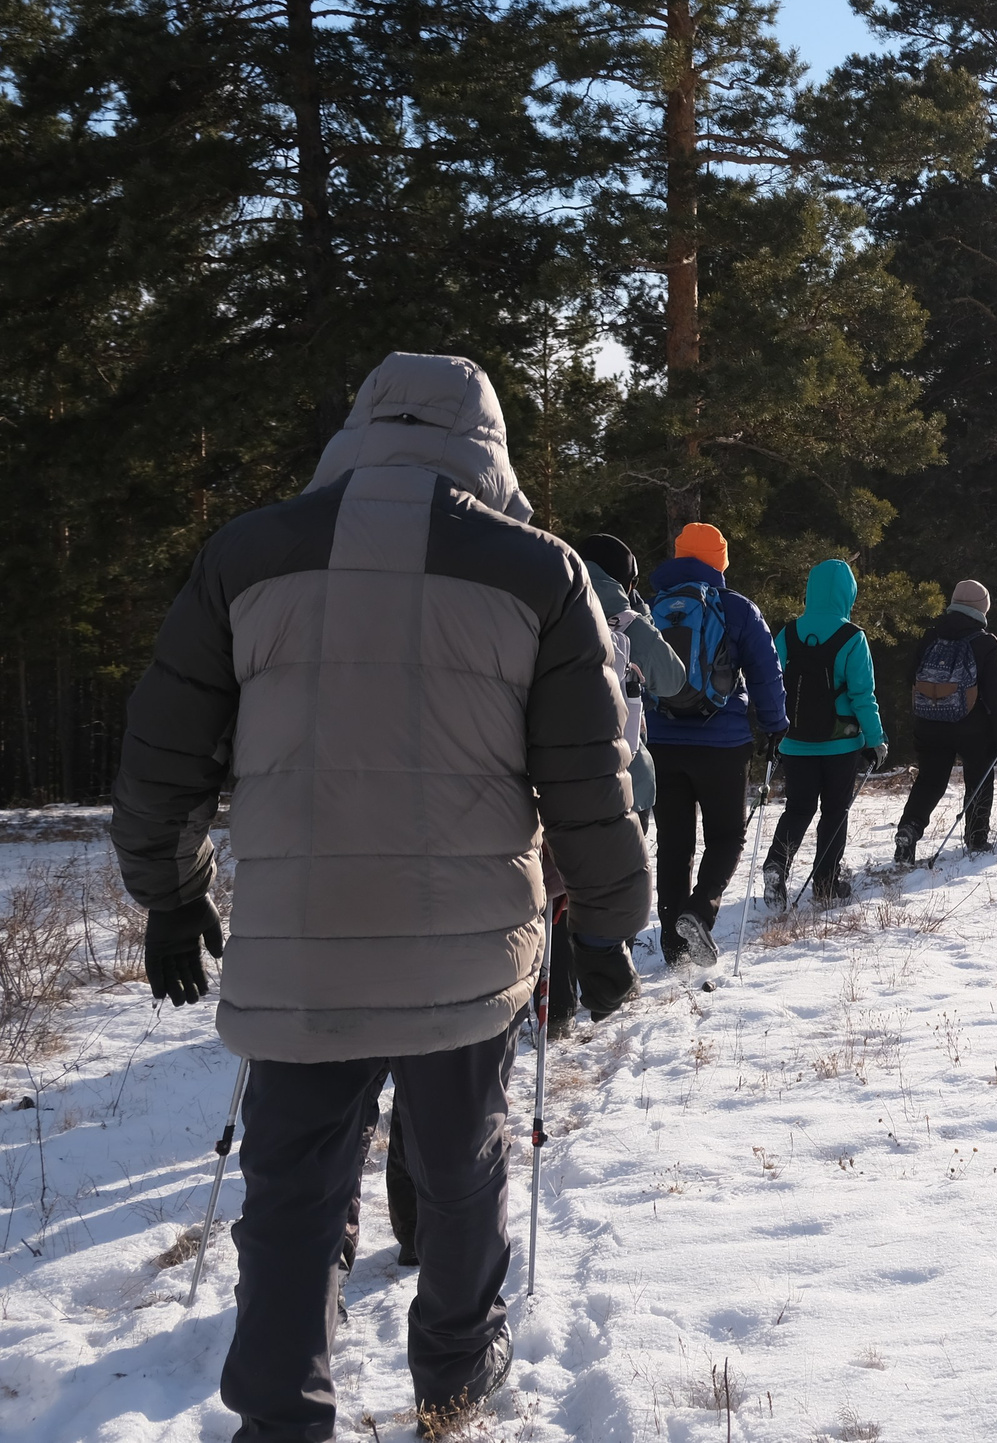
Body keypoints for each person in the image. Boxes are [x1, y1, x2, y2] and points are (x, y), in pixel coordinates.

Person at [108, 352, 646, 1440]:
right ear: (486, 444)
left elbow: (164, 752)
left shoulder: (246, 555)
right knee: (459, 1169)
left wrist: (169, 893)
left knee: (291, 1193)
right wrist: (607, 920)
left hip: (300, 949)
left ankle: (279, 1412)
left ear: (356, 426)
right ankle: (452, 1372)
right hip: (470, 951)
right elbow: (587, 776)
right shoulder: (540, 574)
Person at [644, 523, 787, 970]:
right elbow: (766, 671)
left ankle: (673, 941)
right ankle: (699, 910)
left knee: (674, 841)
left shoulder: (650, 608)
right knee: (726, 835)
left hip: (662, 741)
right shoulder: (737, 609)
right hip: (722, 743)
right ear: (720, 561)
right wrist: (774, 725)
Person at [560, 534, 684, 1038]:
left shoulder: (549, 596)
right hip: (626, 776)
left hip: (551, 775)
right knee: (611, 883)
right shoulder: (625, 615)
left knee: (555, 890)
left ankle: (557, 1002)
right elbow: (673, 679)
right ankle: (611, 979)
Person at [757, 560, 885, 906]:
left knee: (798, 809)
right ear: (848, 593)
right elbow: (863, 696)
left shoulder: (788, 633)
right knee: (834, 812)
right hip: (839, 743)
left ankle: (776, 864)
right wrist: (876, 740)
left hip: (795, 741)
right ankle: (827, 884)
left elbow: (772, 682)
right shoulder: (852, 637)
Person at [896, 579, 997, 860]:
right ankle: (976, 839)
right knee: (979, 780)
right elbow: (996, 695)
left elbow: (911, 677)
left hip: (929, 721)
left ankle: (909, 829)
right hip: (972, 726)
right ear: (982, 607)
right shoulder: (986, 642)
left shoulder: (931, 635)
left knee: (930, 781)